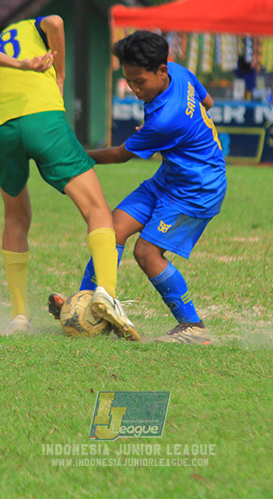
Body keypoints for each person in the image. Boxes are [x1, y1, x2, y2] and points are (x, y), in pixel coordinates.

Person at [0, 14, 139, 340]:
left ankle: (19, 316)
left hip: (2, 130)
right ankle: (107, 294)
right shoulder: (31, 28)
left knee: (16, 217)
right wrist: (57, 73)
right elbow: (57, 22)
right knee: (96, 208)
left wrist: (16, 65)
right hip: (43, 120)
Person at [57, 30, 227, 344]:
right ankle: (86, 305)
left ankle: (194, 327)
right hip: (170, 178)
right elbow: (208, 101)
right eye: (129, 82)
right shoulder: (179, 72)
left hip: (197, 189)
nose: (135, 90)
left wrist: (75, 156)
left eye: (140, 82)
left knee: (147, 252)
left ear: (161, 71)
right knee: (111, 228)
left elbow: (121, 155)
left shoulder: (166, 119)